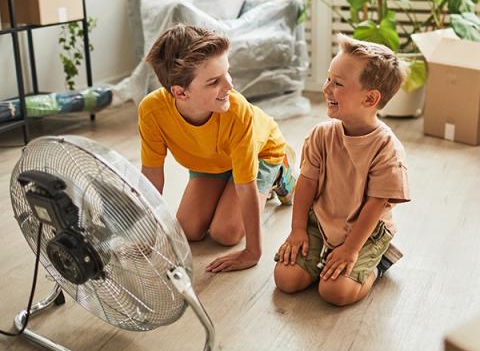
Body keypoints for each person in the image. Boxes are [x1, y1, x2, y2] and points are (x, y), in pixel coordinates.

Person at [139, 24, 296, 272]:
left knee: (227, 233)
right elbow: (152, 174)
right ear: (180, 93)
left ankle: (281, 172)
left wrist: (252, 252)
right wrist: (145, 234)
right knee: (189, 230)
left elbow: (245, 185)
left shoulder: (238, 112)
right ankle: (225, 186)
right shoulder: (152, 111)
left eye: (227, 73)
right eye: (214, 81)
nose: (230, 86)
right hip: (210, 162)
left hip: (261, 153)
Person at [274, 34, 410, 306]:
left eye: (337, 84)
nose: (326, 88)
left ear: (370, 98)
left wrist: (350, 249)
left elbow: (375, 205)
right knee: (286, 279)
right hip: (323, 221)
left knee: (334, 293)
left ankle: (377, 263)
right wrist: (298, 229)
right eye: (328, 78)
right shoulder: (321, 135)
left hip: (366, 231)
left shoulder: (387, 150)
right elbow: (307, 184)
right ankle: (324, 259)